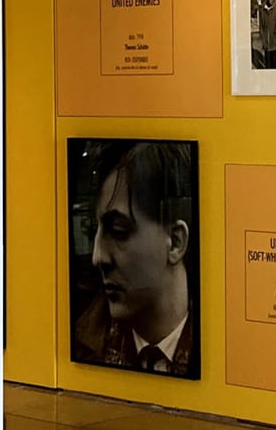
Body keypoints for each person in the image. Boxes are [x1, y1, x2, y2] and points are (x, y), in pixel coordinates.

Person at [71, 140, 197, 376]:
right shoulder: (84, 342)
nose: (98, 258)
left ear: (175, 242)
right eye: (93, 232)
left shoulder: (226, 344)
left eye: (118, 231)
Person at [254, 0, 276, 69]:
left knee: (274, 65)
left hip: (274, 43)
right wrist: (263, 39)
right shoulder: (263, 11)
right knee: (268, 66)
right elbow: (261, 28)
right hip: (266, 45)